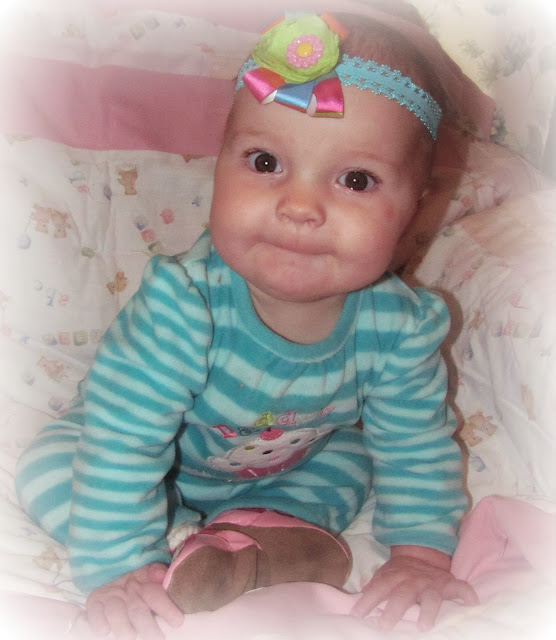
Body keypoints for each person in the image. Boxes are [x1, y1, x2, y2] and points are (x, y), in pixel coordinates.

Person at [15, 9, 479, 640]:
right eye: (265, 163)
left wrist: (420, 556)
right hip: (135, 459)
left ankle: (259, 536)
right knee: (46, 469)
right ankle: (179, 545)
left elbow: (415, 447)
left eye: (356, 180)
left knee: (354, 458)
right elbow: (122, 443)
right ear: (218, 167)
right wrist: (120, 568)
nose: (299, 206)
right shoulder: (184, 305)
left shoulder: (401, 328)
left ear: (414, 210)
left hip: (285, 466)